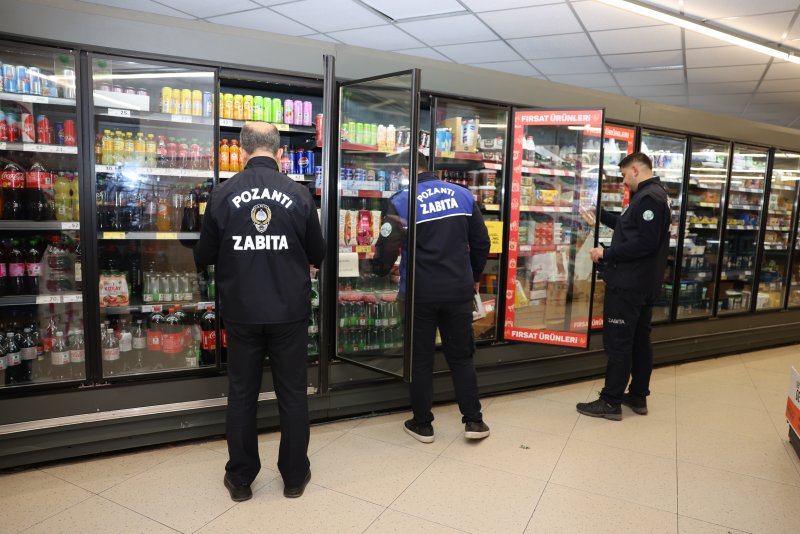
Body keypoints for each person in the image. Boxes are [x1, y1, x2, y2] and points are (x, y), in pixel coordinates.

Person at [194, 122, 324, 501]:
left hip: (242, 311)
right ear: (280, 152)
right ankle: (294, 476)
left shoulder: (222, 194)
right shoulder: (299, 194)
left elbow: (204, 255)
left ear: (241, 151)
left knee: (242, 394)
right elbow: (318, 253)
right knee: (293, 394)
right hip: (289, 311)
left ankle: (240, 479)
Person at [374, 153, 492, 443]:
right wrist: (473, 276)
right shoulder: (463, 195)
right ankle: (474, 421)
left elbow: (388, 247)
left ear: (406, 171)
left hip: (420, 293)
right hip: (457, 291)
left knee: (420, 359)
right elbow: (482, 242)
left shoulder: (403, 200)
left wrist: (378, 270)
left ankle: (423, 424)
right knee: (461, 356)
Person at [576, 152, 671, 421]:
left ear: (636, 170)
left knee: (619, 342)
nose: (623, 181)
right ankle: (638, 395)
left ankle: (610, 401)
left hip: (629, 284)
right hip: (643, 283)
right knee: (639, 341)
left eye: (624, 174)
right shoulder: (650, 195)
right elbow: (629, 227)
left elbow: (645, 243)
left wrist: (607, 253)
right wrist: (601, 215)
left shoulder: (649, 198)